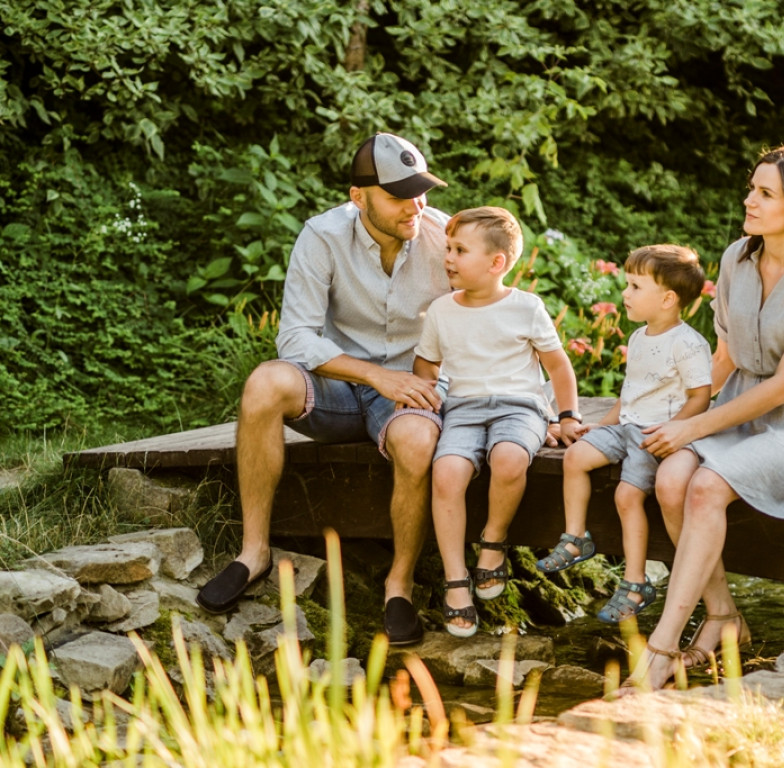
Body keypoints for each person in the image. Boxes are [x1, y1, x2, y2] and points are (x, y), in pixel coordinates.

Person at [618, 145, 784, 692]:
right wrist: (678, 416)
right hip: (741, 405)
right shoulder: (737, 259)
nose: (749, 200)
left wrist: (694, 429)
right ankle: (726, 617)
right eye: (751, 188)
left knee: (704, 486)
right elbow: (725, 358)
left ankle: (662, 647)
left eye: (765, 193)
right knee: (673, 475)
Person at [196, 132, 451, 647]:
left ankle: (397, 585)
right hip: (335, 386)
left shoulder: (445, 236)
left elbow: (487, 318)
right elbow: (294, 336)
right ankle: (254, 554)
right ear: (358, 197)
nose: (415, 206)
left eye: (420, 191)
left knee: (418, 442)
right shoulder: (322, 235)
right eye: (399, 195)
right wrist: (374, 374)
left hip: (408, 391)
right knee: (265, 381)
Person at [412, 206, 583, 638]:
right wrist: (421, 397)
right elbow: (426, 364)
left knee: (509, 459)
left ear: (497, 263)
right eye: (448, 248)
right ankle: (456, 579)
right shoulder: (441, 311)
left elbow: (559, 367)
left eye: (460, 250)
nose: (448, 257)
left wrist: (567, 417)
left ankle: (492, 542)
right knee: (447, 471)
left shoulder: (526, 307)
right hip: (464, 408)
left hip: (519, 407)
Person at [535, 244, 712, 624]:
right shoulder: (638, 337)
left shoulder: (688, 344)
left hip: (654, 434)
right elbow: (630, 392)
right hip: (625, 425)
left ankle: (635, 582)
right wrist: (603, 425)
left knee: (627, 495)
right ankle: (575, 537)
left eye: (634, 287)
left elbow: (701, 397)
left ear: (667, 299)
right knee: (576, 456)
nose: (625, 294)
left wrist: (675, 430)